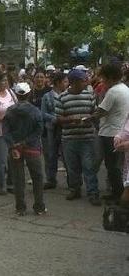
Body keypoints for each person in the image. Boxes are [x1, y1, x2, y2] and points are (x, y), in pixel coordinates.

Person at [55, 69, 100, 206]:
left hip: (87, 137)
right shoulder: (62, 97)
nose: (86, 82)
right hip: (69, 138)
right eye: (83, 80)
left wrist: (90, 118)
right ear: (74, 82)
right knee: (72, 167)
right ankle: (75, 189)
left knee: (89, 167)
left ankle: (93, 192)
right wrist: (70, 119)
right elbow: (58, 118)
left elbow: (95, 113)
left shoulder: (90, 95)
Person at [3, 80, 47, 216]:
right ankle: (39, 206)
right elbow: (39, 130)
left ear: (16, 94)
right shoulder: (35, 111)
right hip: (32, 148)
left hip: (15, 148)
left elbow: (5, 131)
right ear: (29, 94)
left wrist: (13, 144)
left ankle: (20, 207)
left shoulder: (10, 111)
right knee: (37, 178)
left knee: (18, 178)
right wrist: (26, 142)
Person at [87, 63, 129, 203]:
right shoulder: (124, 88)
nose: (102, 81)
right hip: (121, 132)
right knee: (118, 166)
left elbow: (101, 111)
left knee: (112, 168)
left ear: (110, 77)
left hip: (110, 133)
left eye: (103, 77)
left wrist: (87, 118)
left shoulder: (113, 91)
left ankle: (118, 195)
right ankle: (118, 193)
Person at [41, 72, 69, 189]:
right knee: (50, 155)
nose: (67, 84)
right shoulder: (47, 96)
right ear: (58, 83)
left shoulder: (68, 95)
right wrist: (55, 119)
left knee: (67, 156)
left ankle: (72, 181)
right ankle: (51, 179)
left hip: (65, 129)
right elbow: (43, 113)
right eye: (65, 81)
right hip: (51, 130)